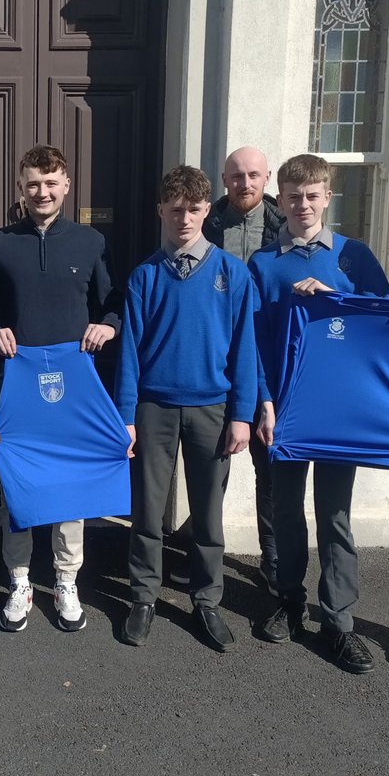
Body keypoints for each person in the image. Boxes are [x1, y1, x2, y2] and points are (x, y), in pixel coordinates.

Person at [248, 153, 389, 674]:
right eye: (292, 196)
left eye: (312, 196)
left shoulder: (353, 257)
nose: (302, 205)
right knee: (285, 511)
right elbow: (254, 343)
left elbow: (384, 325)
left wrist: (336, 299)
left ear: (327, 198)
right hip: (284, 410)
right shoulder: (263, 264)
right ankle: (288, 601)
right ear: (278, 200)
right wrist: (262, 400)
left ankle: (339, 621)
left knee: (333, 516)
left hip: (337, 412)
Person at [0, 145, 122, 633]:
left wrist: (109, 325)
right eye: (33, 183)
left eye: (51, 182)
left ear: (66, 185)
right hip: (15, 389)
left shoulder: (91, 242)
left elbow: (113, 302)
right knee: (16, 487)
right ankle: (19, 580)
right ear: (21, 187)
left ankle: (65, 578)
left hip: (74, 389)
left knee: (68, 486)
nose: (42, 191)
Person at [116, 166, 257, 649]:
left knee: (208, 512)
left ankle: (207, 599)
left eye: (194, 209)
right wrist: (126, 415)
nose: (184, 219)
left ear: (206, 211)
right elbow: (130, 352)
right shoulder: (145, 276)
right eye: (175, 210)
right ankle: (143, 595)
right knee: (148, 510)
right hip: (154, 408)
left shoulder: (231, 273)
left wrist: (243, 414)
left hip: (212, 410)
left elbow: (245, 350)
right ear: (161, 210)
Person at [201, 145, 287, 594]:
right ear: (224, 179)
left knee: (269, 470)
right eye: (237, 176)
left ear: (267, 178)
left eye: (254, 175)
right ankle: (203, 557)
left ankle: (273, 561)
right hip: (219, 363)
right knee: (212, 468)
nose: (246, 183)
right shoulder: (206, 223)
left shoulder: (286, 226)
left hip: (271, 365)